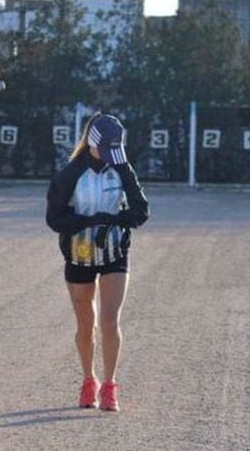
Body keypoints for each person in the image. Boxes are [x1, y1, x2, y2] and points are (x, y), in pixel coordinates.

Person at [45, 112, 149, 412]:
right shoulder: (70, 174)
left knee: (109, 320)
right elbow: (54, 218)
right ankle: (88, 380)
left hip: (115, 253)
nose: (109, 157)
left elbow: (142, 212)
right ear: (91, 144)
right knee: (85, 324)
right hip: (79, 254)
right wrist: (88, 222)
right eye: (104, 150)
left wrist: (114, 220)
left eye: (114, 151)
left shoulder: (121, 168)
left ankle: (110, 385)